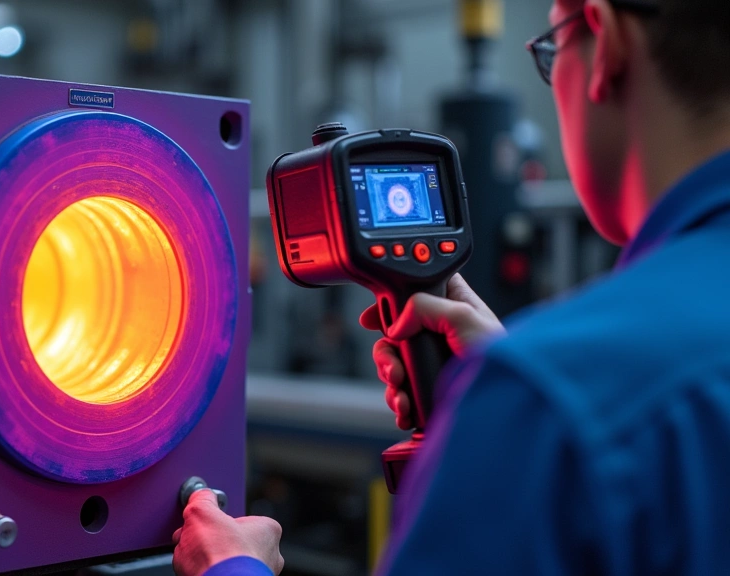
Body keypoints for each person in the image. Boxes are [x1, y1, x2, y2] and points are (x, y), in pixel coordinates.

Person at [172, 0, 730, 573]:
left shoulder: (549, 405)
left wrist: (230, 566)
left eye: (553, 48)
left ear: (607, 41)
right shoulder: (552, 400)